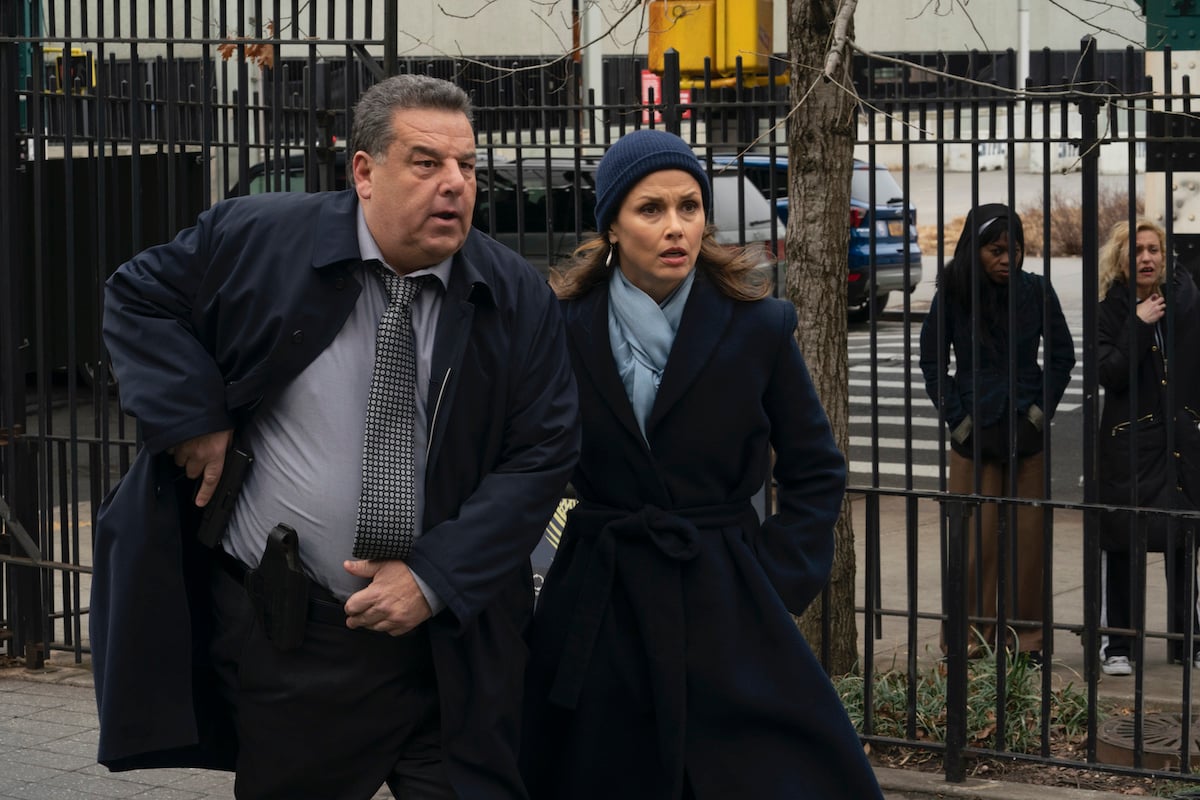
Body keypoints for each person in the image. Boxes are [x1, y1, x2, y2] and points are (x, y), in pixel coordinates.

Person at [90, 74, 580, 799]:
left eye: (467, 166)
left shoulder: (514, 294)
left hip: (456, 641)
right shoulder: (260, 240)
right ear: (363, 171)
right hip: (300, 640)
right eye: (426, 163)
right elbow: (138, 295)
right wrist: (193, 415)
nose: (454, 185)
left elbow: (543, 453)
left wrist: (433, 579)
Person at [520, 128, 884, 799]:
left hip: (723, 590)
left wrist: (772, 581)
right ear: (612, 226)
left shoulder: (758, 326)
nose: (675, 227)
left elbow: (815, 469)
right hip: (600, 594)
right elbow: (523, 458)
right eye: (650, 209)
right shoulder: (562, 326)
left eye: (689, 207)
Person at [919, 203, 1075, 663]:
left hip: (1025, 432)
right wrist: (959, 420)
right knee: (974, 540)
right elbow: (933, 360)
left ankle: (1028, 639)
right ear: (976, 250)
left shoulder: (1037, 291)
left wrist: (1037, 414)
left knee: (1028, 537)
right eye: (996, 250)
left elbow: (1062, 357)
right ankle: (968, 636)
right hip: (974, 431)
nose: (1008, 258)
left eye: (1017, 249)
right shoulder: (954, 292)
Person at [1096, 218, 1200, 676]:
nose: (1146, 257)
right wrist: (1138, 325)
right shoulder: (1110, 310)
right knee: (1124, 540)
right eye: (1136, 249)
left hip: (1179, 439)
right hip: (1129, 444)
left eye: (1154, 248)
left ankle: (1186, 641)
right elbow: (1111, 374)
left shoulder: (1187, 304)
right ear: (1121, 259)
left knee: (1182, 539)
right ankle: (1119, 645)